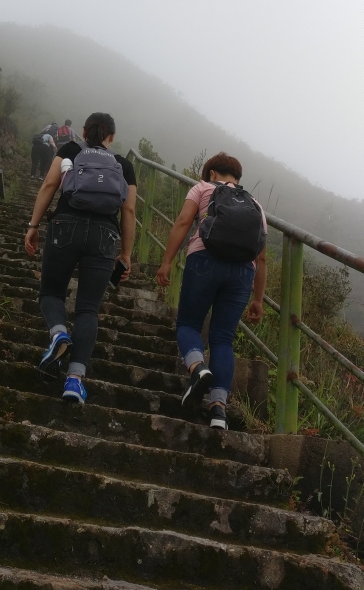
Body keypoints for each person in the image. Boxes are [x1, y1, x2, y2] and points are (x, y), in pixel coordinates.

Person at [24, 112, 137, 405]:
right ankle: (74, 380)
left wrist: (34, 226)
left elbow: (49, 186)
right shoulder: (123, 165)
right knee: (88, 309)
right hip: (105, 235)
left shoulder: (70, 150)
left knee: (51, 292)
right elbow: (129, 211)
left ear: (84, 131)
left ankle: (59, 334)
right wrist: (125, 253)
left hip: (65, 226)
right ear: (111, 136)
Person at [155, 152, 267, 431]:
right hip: (243, 273)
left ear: (213, 173)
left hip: (204, 261)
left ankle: (197, 367)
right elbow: (261, 257)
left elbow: (183, 222)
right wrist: (258, 299)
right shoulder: (255, 204)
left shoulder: (203, 188)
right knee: (222, 339)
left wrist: (167, 261)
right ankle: (218, 410)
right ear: (237, 178)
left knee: (189, 324)